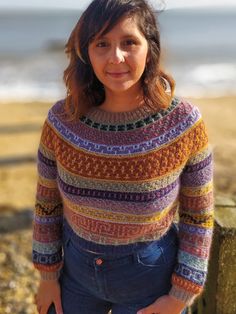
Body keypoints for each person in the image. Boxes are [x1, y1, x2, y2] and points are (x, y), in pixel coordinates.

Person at [32, 0, 214, 313]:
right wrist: (47, 276)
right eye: (101, 43)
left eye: (129, 42)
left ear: (150, 47)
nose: (116, 57)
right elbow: (47, 204)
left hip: (151, 281)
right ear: (85, 52)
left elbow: (198, 216)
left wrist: (180, 296)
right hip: (75, 278)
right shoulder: (62, 121)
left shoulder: (183, 124)